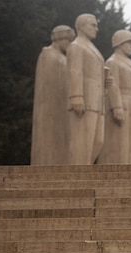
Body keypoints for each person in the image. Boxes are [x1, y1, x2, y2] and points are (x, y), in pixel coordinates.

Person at [66, 14, 108, 164]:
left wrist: (105, 84)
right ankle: (78, 175)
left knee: (98, 141)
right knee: (82, 140)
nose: (96, 28)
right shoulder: (76, 46)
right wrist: (76, 96)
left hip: (97, 101)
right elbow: (75, 71)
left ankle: (84, 171)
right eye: (93, 25)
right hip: (84, 99)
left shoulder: (92, 48)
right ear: (81, 26)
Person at [31, 25, 75, 165]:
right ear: (60, 39)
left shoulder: (61, 57)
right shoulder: (48, 54)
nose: (69, 45)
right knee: (49, 137)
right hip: (49, 106)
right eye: (68, 41)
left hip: (60, 104)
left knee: (60, 137)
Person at [97, 30, 131, 164]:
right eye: (129, 43)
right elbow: (112, 85)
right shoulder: (112, 62)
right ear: (119, 43)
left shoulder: (130, 63)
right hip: (121, 101)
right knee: (119, 139)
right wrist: (116, 106)